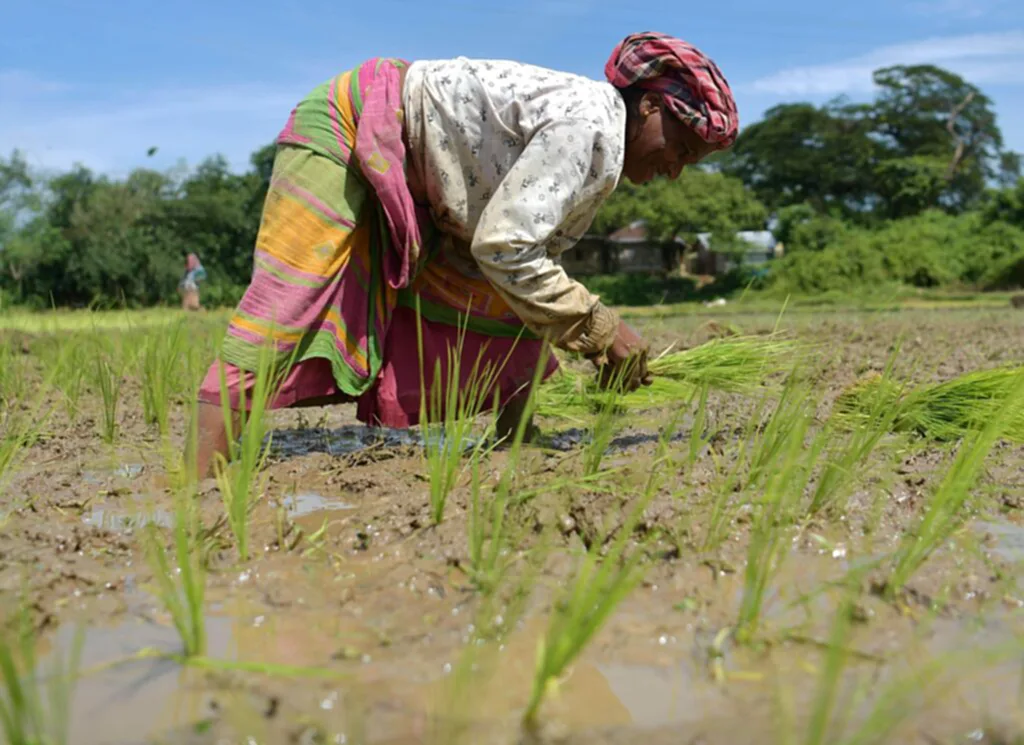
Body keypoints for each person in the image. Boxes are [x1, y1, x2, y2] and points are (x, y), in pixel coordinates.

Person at [190, 31, 738, 478]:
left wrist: (596, 346)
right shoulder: (588, 126)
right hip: (350, 124)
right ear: (647, 106)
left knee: (509, 295)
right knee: (292, 298)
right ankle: (195, 485)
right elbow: (507, 247)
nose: (675, 169)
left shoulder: (601, 148)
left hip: (425, 173)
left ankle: (518, 436)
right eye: (682, 148)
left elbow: (527, 263)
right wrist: (600, 328)